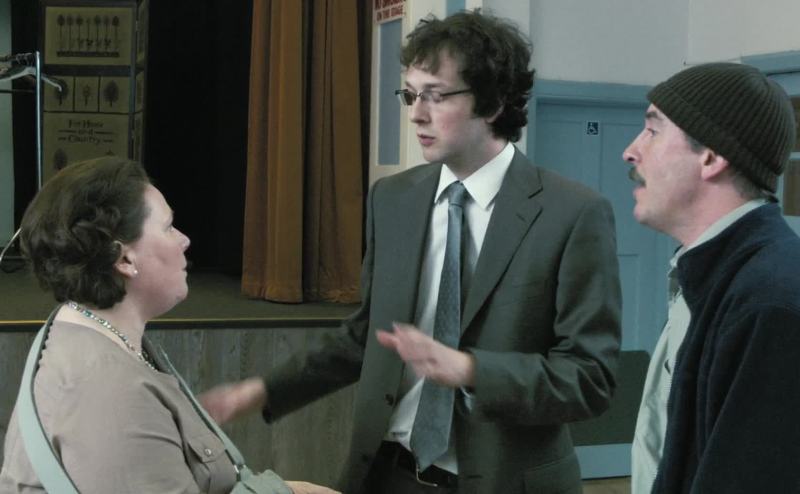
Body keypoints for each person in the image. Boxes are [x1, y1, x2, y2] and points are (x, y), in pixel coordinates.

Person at [202, 9, 621, 494]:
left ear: (492, 103)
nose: (416, 114)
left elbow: (590, 378)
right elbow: (365, 337)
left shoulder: (572, 213)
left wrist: (471, 371)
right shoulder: (393, 199)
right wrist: (263, 391)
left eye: (435, 96)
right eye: (409, 94)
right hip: (388, 474)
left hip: (504, 482)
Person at [0, 157, 337, 494]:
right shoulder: (112, 394)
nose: (184, 240)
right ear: (124, 259)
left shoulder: (92, 336)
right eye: (168, 227)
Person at [624, 62, 800, 493]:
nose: (631, 151)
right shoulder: (711, 273)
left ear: (711, 157)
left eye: (652, 130)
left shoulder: (768, 302)